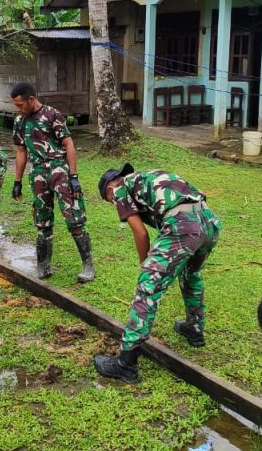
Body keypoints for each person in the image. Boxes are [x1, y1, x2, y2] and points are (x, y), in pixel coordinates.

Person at [93, 164, 221, 383]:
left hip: (183, 227)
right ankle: (194, 329)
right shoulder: (147, 176)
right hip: (209, 222)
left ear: (109, 190)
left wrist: (146, 267)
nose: (115, 204)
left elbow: (141, 234)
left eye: (110, 201)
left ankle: (126, 364)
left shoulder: (120, 189)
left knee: (147, 288)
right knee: (191, 276)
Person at [10, 82, 94, 282]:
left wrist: (73, 176)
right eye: (16, 105)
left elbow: (69, 144)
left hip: (59, 170)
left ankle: (88, 265)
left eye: (20, 104)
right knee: (42, 220)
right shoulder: (19, 121)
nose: (18, 109)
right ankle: (43, 266)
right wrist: (17, 181)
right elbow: (21, 151)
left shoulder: (52, 115)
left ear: (31, 99)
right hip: (37, 172)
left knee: (74, 218)